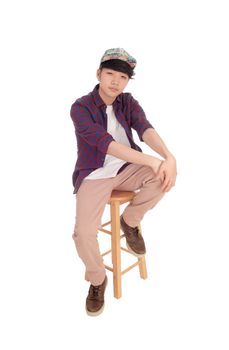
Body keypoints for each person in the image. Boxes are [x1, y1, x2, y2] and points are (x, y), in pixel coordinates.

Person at [70, 48, 177, 316]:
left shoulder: (127, 102)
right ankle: (97, 280)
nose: (116, 82)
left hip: (128, 169)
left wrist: (167, 156)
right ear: (98, 74)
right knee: (83, 234)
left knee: (163, 173)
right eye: (110, 74)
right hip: (94, 174)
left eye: (122, 77)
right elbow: (105, 144)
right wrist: (151, 161)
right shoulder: (80, 107)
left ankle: (130, 221)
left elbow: (145, 129)